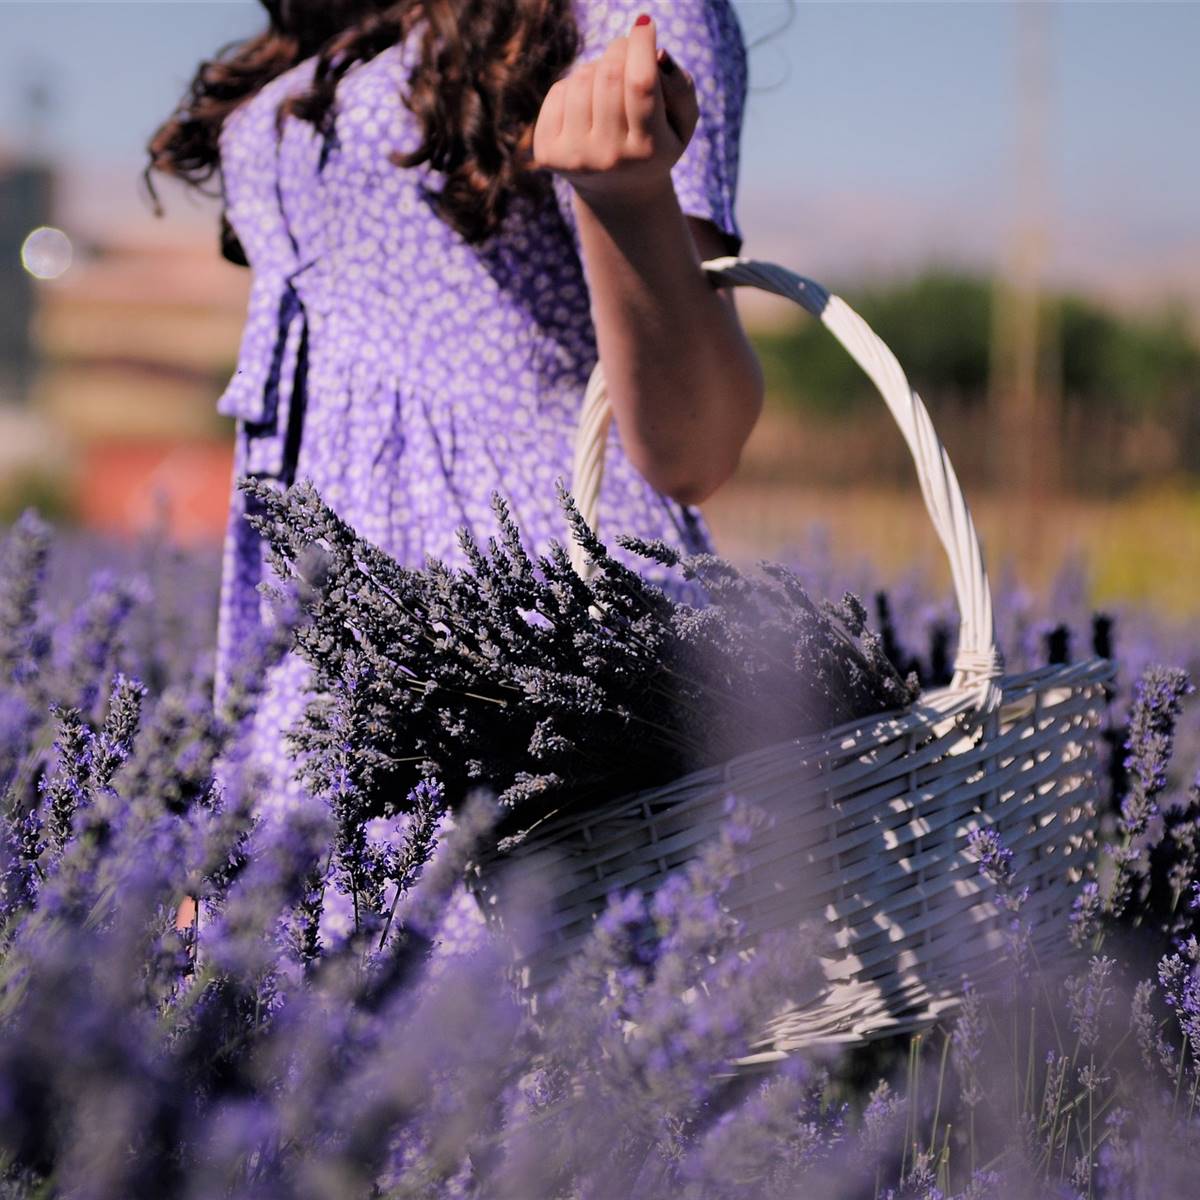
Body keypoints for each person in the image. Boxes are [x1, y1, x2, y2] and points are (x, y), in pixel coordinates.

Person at [146, 0, 764, 944]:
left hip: (506, 651)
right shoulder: (359, 17)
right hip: (325, 644)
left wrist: (630, 201)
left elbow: (696, 445)